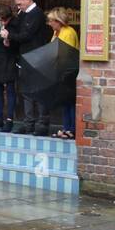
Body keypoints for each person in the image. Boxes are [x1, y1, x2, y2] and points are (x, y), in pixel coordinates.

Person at [2, 0, 53, 136]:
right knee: (26, 91)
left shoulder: (37, 14)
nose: (18, 7)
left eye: (19, 4)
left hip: (37, 57)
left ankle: (42, 124)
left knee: (39, 91)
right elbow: (18, 32)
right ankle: (28, 123)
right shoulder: (23, 15)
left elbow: (27, 35)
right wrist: (8, 35)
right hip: (25, 57)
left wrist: (10, 35)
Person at [47, 8, 80, 139]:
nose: (49, 23)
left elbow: (67, 53)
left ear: (58, 21)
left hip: (68, 72)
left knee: (69, 101)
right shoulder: (57, 32)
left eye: (51, 21)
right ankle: (66, 127)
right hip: (59, 71)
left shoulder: (68, 32)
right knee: (64, 102)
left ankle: (71, 129)